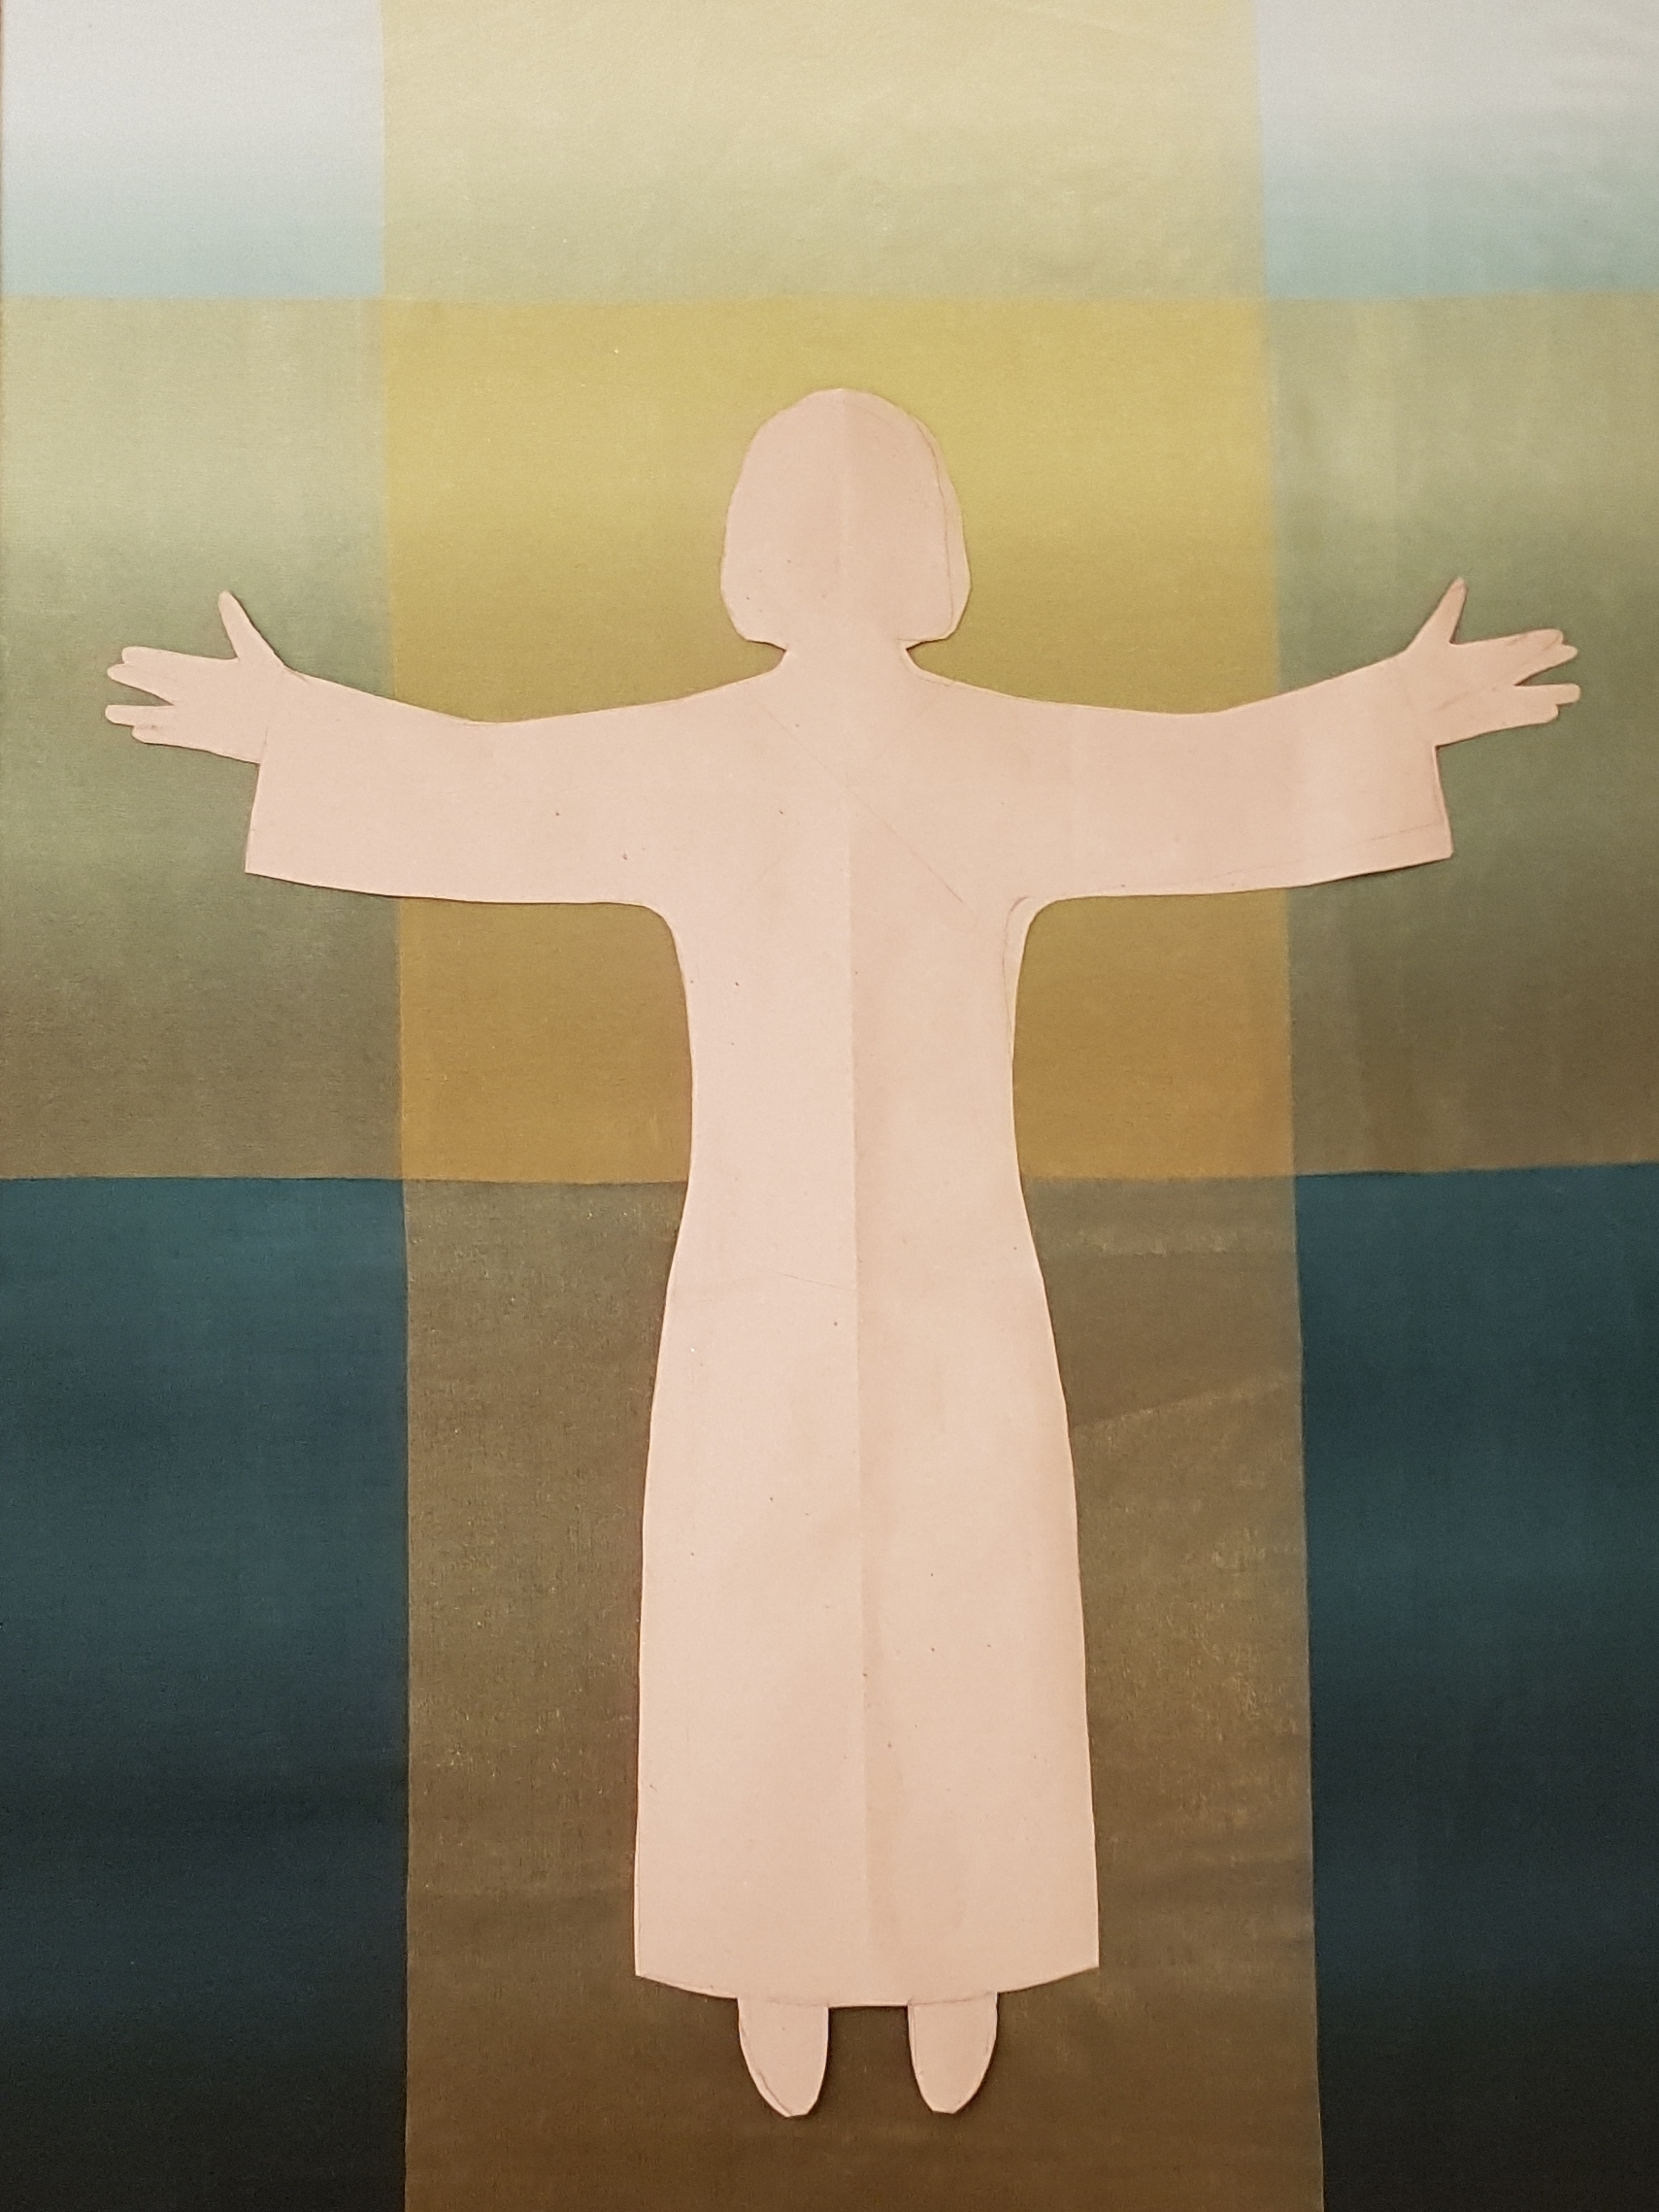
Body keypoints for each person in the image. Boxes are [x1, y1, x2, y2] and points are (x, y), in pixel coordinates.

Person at [108, 387, 1577, 2118]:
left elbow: (1188, 781)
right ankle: (781, 1939)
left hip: (942, 1249)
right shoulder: (738, 756)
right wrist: (298, 731)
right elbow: (505, 791)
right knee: (770, 1569)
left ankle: (952, 1938)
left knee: (952, 1566)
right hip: (764, 1251)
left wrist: (1386, 713)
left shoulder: (969, 755)